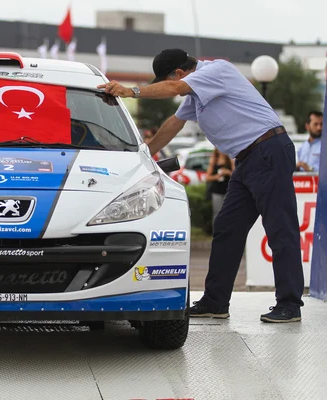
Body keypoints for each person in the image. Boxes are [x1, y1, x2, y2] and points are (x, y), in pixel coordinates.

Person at [98, 48, 304, 323]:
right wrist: (143, 155)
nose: (170, 87)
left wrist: (131, 92)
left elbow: (174, 88)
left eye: (166, 81)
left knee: (280, 229)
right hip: (246, 159)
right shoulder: (196, 93)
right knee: (227, 229)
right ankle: (215, 302)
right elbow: (174, 124)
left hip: (268, 150)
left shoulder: (216, 71)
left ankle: (289, 304)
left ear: (180, 73)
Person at [205, 148, 235, 228]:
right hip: (216, 190)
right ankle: (216, 230)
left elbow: (236, 175)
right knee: (217, 212)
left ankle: (227, 230)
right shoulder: (214, 161)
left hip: (228, 190)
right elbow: (207, 177)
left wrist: (228, 172)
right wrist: (217, 176)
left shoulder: (230, 160)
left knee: (228, 211)